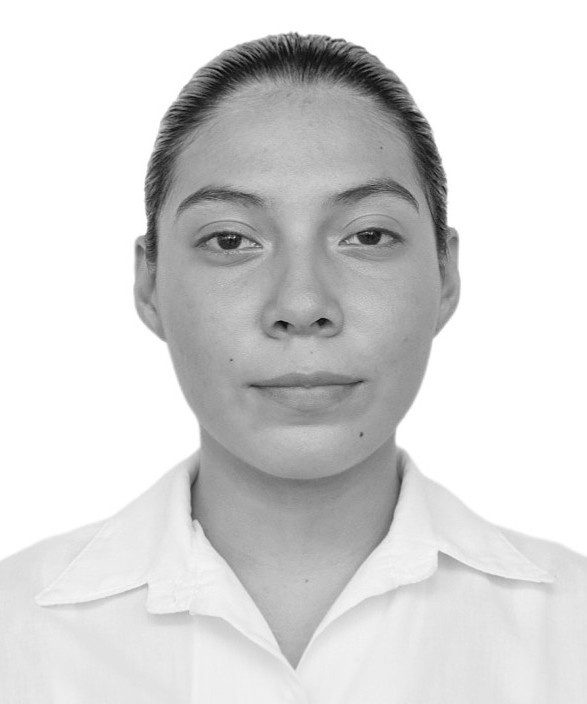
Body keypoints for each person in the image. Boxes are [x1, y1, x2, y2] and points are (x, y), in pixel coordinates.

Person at [1, 32, 585, 703]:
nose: (302, 306)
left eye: (368, 235)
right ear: (150, 284)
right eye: (230, 240)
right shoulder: (17, 638)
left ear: (445, 274)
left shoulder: (571, 635)